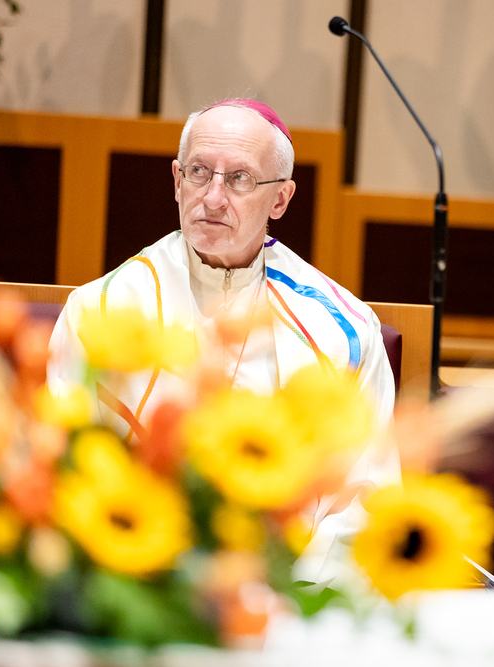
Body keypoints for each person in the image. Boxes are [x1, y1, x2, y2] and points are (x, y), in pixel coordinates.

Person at [48, 99, 397, 578]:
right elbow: (64, 464)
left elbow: (364, 496)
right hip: (136, 580)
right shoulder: (102, 311)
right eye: (198, 172)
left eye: (239, 178)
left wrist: (290, 591)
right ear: (177, 181)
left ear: (281, 199)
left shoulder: (344, 330)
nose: (212, 198)